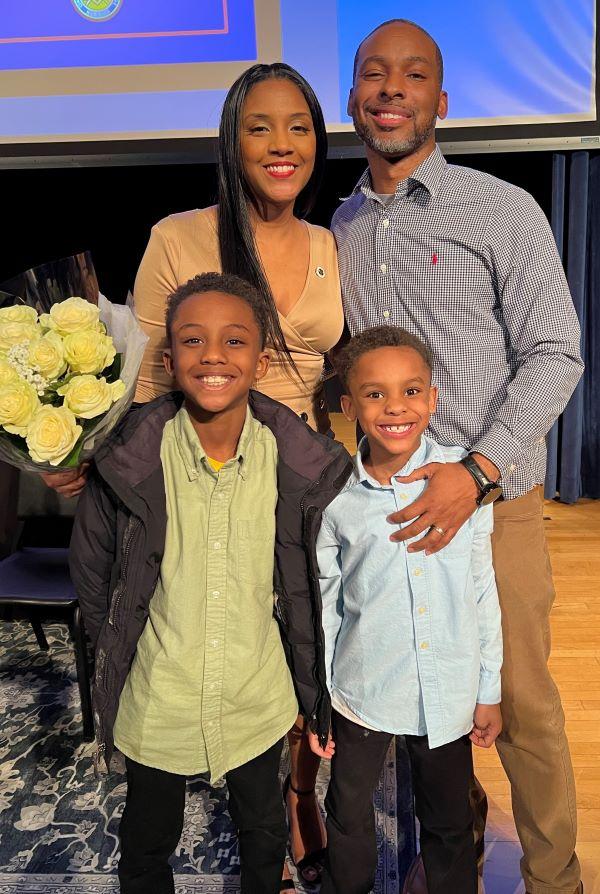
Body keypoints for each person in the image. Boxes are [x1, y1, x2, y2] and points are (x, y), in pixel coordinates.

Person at [46, 62, 344, 888]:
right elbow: (144, 373)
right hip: (194, 461)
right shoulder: (180, 235)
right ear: (230, 139)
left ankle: (293, 797)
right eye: (259, 126)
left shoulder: (329, 244)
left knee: (292, 632)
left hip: (293, 475)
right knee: (196, 612)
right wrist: (99, 461)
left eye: (299, 126)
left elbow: (337, 372)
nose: (282, 144)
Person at [331, 18, 584, 894]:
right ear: (354, 98)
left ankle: (556, 880)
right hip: (393, 509)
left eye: (412, 76)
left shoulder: (502, 209)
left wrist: (475, 472)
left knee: (519, 709)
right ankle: (458, 850)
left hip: (490, 502)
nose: (390, 89)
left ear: (442, 101)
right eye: (373, 74)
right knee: (417, 698)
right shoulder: (343, 226)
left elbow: (557, 349)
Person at [69, 272, 352, 894]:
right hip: (159, 695)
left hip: (256, 694)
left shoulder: (294, 463)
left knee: (264, 829)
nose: (214, 356)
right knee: (146, 838)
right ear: (170, 360)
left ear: (263, 357)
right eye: (194, 342)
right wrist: (119, 644)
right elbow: (93, 575)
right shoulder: (127, 463)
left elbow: (308, 584)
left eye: (234, 341)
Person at [308, 326, 503, 894]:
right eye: (374, 394)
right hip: (362, 691)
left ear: (433, 397)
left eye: (412, 391)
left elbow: (482, 588)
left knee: (447, 819)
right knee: (347, 810)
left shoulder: (465, 485)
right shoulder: (335, 497)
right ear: (348, 406)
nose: (396, 407)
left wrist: (488, 686)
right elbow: (326, 601)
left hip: (446, 693)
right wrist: (321, 697)